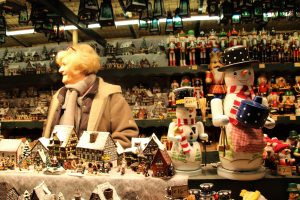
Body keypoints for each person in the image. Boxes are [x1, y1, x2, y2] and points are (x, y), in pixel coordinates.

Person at [42, 43, 139, 148]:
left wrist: (102, 156)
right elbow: (48, 133)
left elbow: (126, 134)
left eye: (64, 65)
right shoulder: (59, 96)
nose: (60, 70)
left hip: (96, 162)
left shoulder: (110, 95)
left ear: (81, 66)